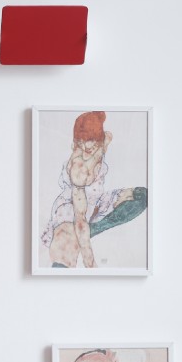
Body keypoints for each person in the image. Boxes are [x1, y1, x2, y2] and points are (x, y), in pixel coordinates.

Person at [42, 112, 144, 268]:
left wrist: (101, 145)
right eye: (80, 142)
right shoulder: (79, 170)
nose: (85, 147)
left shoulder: (102, 144)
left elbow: (106, 139)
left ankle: (94, 228)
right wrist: (90, 263)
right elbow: (80, 219)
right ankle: (75, 238)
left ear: (99, 139)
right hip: (71, 209)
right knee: (65, 248)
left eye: (89, 141)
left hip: (96, 201)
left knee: (142, 196)